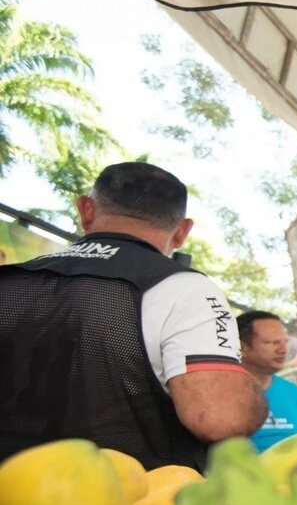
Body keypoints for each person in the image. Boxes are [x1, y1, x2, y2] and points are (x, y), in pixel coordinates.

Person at [0, 161, 266, 470]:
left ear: (86, 210)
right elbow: (219, 418)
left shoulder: (10, 280)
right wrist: (252, 393)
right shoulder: (187, 290)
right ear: (182, 232)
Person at [237, 310, 297, 452]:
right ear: (242, 347)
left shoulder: (294, 393)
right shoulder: (220, 391)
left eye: (284, 342)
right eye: (273, 342)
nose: (283, 349)